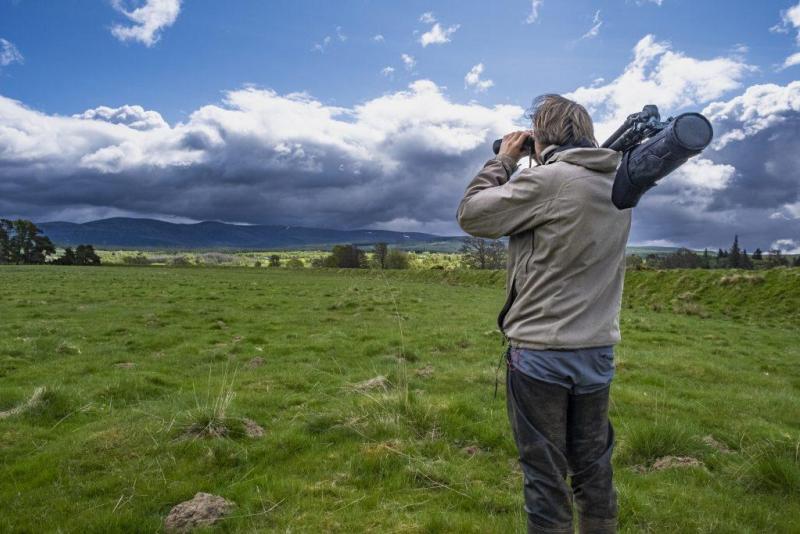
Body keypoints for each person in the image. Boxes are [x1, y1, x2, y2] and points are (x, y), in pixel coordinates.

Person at [456, 94, 631, 534]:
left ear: (543, 136)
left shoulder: (551, 181)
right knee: (593, 465)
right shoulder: (619, 184)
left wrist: (503, 162)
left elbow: (473, 215)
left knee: (545, 475)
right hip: (597, 352)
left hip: (541, 353)